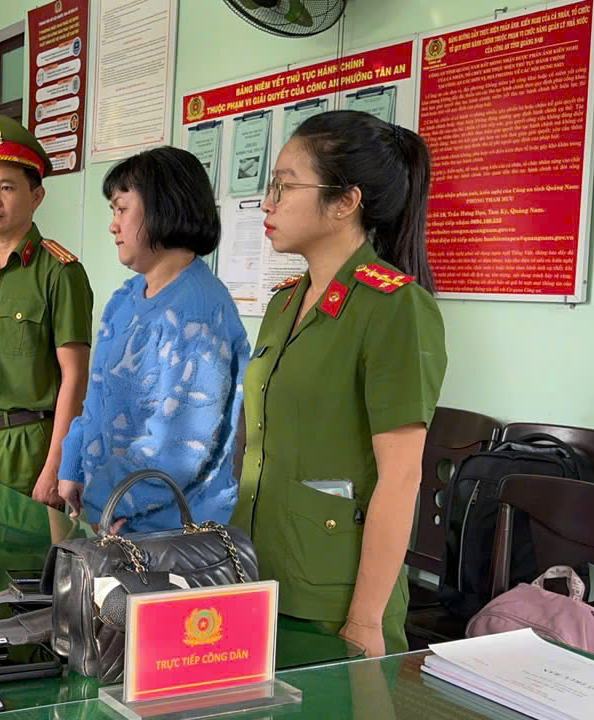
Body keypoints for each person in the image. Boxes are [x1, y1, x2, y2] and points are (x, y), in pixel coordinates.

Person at [229, 110, 447, 658]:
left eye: (285, 185)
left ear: (346, 202)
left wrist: (366, 620)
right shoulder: (284, 303)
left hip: (331, 597)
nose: (268, 202)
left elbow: (401, 479)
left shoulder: (396, 308)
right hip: (256, 572)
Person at [58, 146, 250, 534]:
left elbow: (180, 446)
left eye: (121, 209)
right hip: (116, 518)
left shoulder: (197, 309)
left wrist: (104, 500)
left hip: (169, 532)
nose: (113, 226)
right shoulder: (124, 300)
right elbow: (95, 398)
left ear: (162, 208)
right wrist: (74, 466)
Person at [0, 115, 94, 506]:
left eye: (6, 188)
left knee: (17, 564)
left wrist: (55, 468)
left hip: (24, 451)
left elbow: (74, 378)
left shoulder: (59, 273)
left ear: (37, 197)